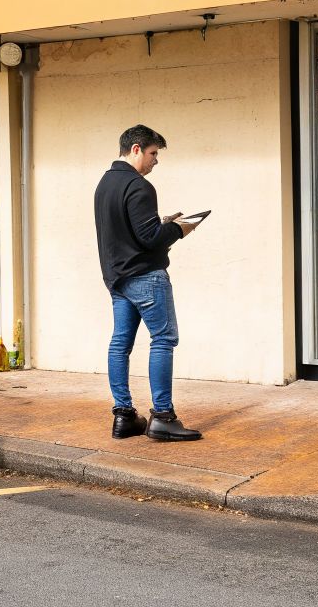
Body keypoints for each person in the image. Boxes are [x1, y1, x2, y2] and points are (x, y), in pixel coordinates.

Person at [95, 124, 203, 441]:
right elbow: (150, 239)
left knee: (120, 344)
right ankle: (163, 418)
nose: (156, 160)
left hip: (118, 279)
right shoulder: (139, 186)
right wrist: (180, 228)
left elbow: (127, 232)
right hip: (146, 277)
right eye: (153, 153)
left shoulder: (105, 184)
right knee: (164, 340)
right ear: (136, 149)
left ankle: (124, 416)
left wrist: (161, 223)